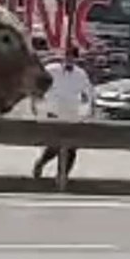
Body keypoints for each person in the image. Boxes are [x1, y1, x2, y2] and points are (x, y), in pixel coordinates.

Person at [31, 47, 96, 181]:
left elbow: (88, 93)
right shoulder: (51, 70)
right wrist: (37, 102)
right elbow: (38, 85)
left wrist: (87, 111)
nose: (70, 60)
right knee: (55, 145)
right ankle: (41, 163)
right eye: (67, 56)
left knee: (72, 148)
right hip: (53, 112)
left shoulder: (80, 74)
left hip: (72, 114)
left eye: (73, 57)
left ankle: (63, 176)